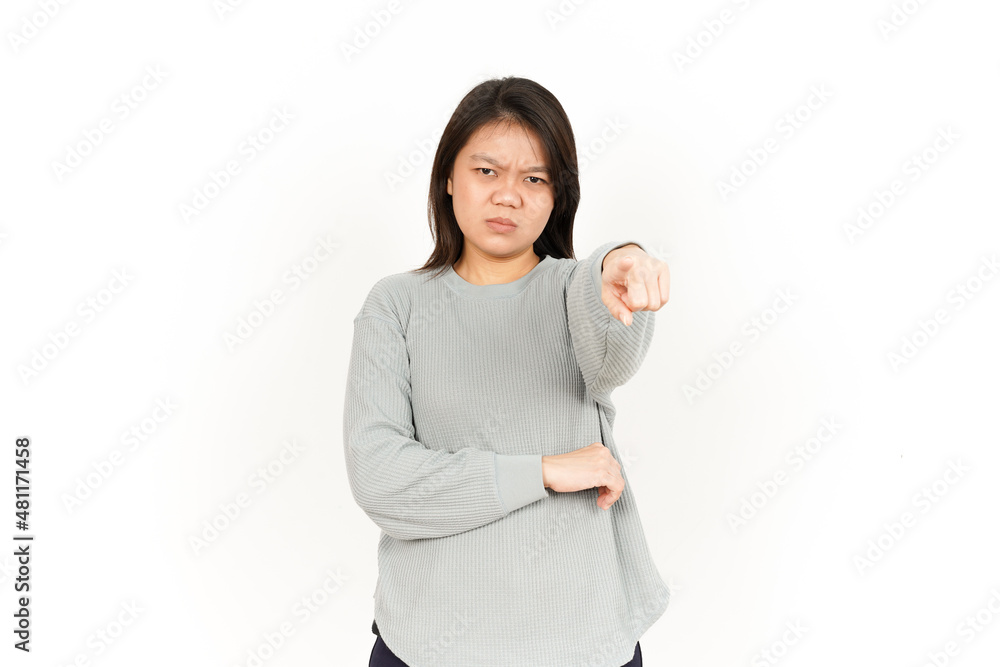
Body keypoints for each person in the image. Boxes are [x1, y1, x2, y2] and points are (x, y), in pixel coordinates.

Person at [344, 76, 671, 667]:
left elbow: (612, 347)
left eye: (535, 178)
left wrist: (619, 260)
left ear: (556, 197)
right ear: (449, 177)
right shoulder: (395, 306)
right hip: (427, 643)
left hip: (580, 642)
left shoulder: (581, 290)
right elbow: (382, 482)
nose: (508, 196)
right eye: (486, 171)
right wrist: (545, 471)